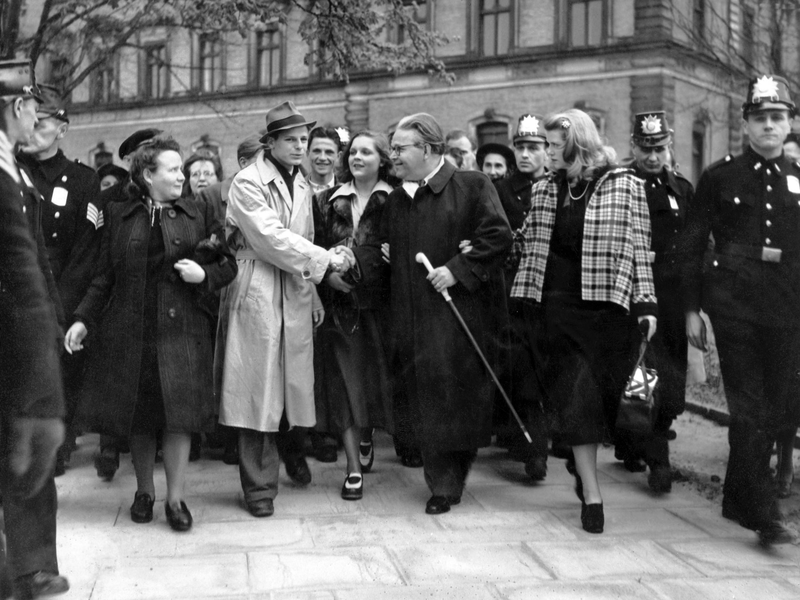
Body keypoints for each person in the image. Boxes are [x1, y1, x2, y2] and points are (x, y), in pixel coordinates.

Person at [64, 136, 237, 533]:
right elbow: (104, 276)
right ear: (148, 175)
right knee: (140, 417)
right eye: (173, 170)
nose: (181, 177)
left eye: (181, 169)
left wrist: (204, 275)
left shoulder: (197, 212)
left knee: (178, 417)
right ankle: (144, 491)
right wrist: (83, 319)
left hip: (181, 331)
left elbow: (228, 264)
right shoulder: (119, 215)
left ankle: (175, 499)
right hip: (132, 331)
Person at [355, 113, 512, 515]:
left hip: (459, 319)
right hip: (410, 319)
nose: (392, 156)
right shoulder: (396, 200)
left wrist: (456, 269)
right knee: (425, 400)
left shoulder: (472, 185)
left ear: (426, 149)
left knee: (453, 399)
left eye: (399, 148)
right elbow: (381, 250)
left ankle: (447, 481)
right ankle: (443, 480)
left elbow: (498, 236)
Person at [511, 109, 657, 534]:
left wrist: (647, 304)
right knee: (578, 401)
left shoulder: (624, 184)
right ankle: (593, 495)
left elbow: (639, 246)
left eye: (554, 146)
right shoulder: (544, 189)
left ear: (576, 145)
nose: (547, 153)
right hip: (557, 310)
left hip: (607, 312)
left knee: (603, 400)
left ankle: (581, 465)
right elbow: (526, 241)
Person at [680, 74, 800, 546]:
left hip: (787, 307)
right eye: (760, 117)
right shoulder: (719, 176)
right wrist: (692, 309)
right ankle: (763, 511)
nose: (769, 125)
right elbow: (692, 246)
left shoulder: (799, 177)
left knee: (776, 407)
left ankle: (736, 497)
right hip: (734, 306)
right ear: (746, 124)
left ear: (790, 124)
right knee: (749, 407)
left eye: (778, 116)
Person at [218, 101, 352, 518]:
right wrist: (325, 260)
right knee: (255, 389)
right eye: (290, 140)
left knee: (290, 384)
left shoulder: (301, 183)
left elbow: (304, 235)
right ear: (270, 142)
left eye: (303, 139)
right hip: (256, 283)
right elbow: (270, 238)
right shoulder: (247, 181)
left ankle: (289, 459)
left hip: (294, 286)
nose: (299, 147)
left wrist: (313, 290)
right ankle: (258, 487)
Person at [0, 58, 70, 600]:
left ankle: (32, 567)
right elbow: (20, 267)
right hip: (14, 338)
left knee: (27, 459)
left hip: (22, 335)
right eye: (33, 110)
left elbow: (36, 260)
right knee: (28, 447)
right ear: (20, 106)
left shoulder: (14, 168)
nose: (37, 120)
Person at [17, 84, 103, 477]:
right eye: (29, 119)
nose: (32, 128)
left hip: (60, 299)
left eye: (42, 122)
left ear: (62, 129)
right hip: (14, 292)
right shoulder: (10, 173)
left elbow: (86, 254)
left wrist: (59, 310)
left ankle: (55, 449)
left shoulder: (82, 181)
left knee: (58, 380)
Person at [613, 111, 694, 492]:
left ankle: (638, 440)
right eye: (645, 148)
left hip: (672, 295)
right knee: (642, 372)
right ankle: (656, 456)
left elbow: (694, 245)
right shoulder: (618, 185)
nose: (652, 156)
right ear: (633, 146)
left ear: (669, 146)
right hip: (633, 294)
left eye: (659, 148)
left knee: (671, 375)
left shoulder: (681, 188)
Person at [313, 131, 396, 500]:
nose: (357, 157)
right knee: (345, 384)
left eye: (366, 152)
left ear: (382, 159)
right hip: (341, 306)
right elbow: (313, 248)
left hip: (382, 306)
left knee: (374, 381)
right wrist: (326, 276)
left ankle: (366, 433)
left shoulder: (397, 199)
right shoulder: (326, 201)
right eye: (353, 152)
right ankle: (352, 469)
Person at [90, 128, 163, 481]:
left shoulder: (169, 193)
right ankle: (108, 448)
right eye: (144, 153)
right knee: (114, 377)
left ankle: (150, 447)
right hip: (115, 296)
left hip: (154, 296)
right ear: (131, 159)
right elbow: (97, 249)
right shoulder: (111, 199)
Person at [493, 113, 552, 481]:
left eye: (533, 147)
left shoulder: (558, 186)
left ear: (547, 150)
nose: (526, 154)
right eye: (520, 147)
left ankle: (541, 443)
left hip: (551, 290)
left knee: (547, 368)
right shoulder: (500, 190)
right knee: (521, 367)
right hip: (513, 289)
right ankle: (530, 446)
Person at [200, 135, 264, 466]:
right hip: (226, 284)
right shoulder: (213, 195)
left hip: (263, 284)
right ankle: (228, 438)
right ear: (243, 163)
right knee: (228, 362)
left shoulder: (271, 190)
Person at [306, 126, 342, 198]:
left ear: (338, 156)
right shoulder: (292, 192)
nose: (322, 158)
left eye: (329, 152)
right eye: (317, 151)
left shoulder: (348, 193)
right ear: (307, 153)